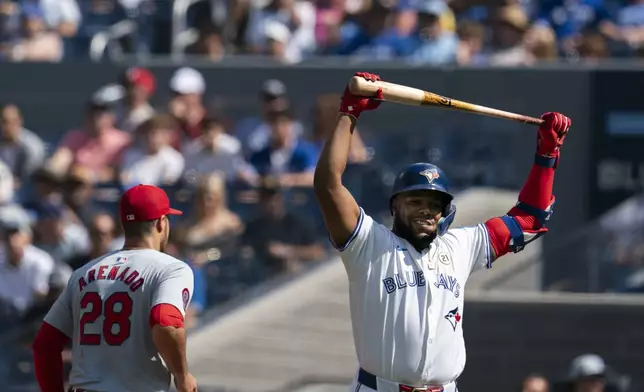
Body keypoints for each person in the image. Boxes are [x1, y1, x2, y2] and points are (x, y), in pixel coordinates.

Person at [313, 72, 571, 392]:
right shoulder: (368, 243)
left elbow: (530, 219)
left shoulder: (460, 246)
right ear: (395, 207)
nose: (425, 209)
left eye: (434, 203)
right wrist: (349, 114)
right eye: (415, 200)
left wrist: (547, 155)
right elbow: (327, 185)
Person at [31, 184, 198, 392]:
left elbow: (45, 345)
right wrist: (182, 375)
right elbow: (166, 322)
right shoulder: (171, 269)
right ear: (161, 224)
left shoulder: (83, 273)